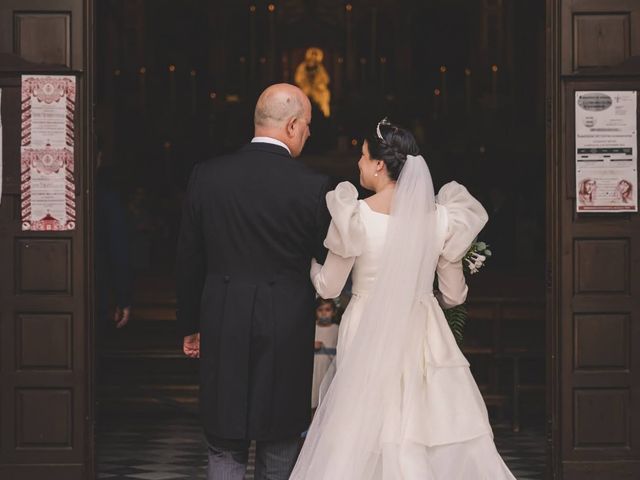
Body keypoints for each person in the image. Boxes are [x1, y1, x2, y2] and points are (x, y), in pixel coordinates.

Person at [291, 119, 516, 478]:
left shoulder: (355, 216)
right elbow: (455, 296)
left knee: (364, 426)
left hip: (367, 328)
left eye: (363, 157)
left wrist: (309, 264)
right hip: (423, 329)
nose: (359, 164)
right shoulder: (441, 219)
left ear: (380, 165)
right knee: (423, 427)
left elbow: (329, 288)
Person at [176, 83, 331, 480]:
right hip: (285, 326)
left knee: (224, 444)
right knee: (279, 445)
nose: (310, 134)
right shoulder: (313, 188)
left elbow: (189, 258)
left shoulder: (206, 176)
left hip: (222, 320)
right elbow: (327, 262)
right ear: (293, 126)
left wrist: (191, 326)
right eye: (309, 125)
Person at [312, 298, 339, 410]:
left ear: (333, 312)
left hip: (329, 369)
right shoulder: (313, 328)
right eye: (320, 310)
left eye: (327, 309)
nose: (324, 313)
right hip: (314, 369)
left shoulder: (336, 329)